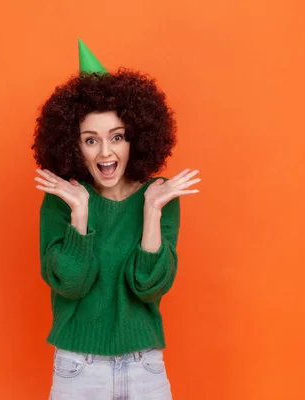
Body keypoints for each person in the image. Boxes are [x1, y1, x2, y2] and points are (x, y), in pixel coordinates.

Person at [32, 39, 200, 400]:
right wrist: (80, 214)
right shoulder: (63, 198)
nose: (105, 152)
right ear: (74, 146)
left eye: (117, 137)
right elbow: (70, 284)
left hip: (145, 368)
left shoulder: (158, 196)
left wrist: (152, 212)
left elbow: (149, 287)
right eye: (90, 140)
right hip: (79, 368)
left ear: (135, 139)